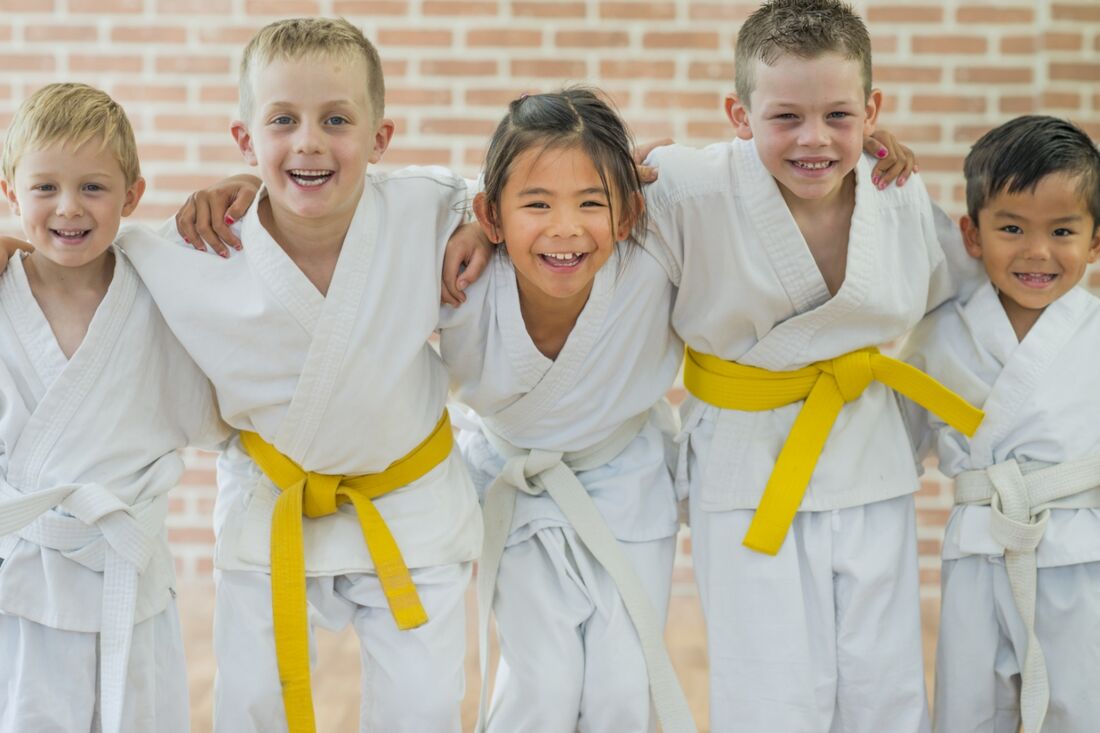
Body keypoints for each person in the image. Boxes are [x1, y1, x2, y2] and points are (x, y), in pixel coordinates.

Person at [105, 18, 482, 733]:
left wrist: (483, 223)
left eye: (336, 119)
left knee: (424, 708)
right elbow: (86, 249)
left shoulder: (429, 208)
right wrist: (17, 253)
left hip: (408, 498)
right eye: (283, 120)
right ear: (245, 140)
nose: (308, 140)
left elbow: (526, 186)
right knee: (252, 705)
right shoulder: (198, 247)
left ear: (380, 139)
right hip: (271, 496)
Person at [639, 0, 985, 729]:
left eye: (838, 114)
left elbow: (960, 292)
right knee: (768, 687)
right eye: (785, 117)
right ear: (739, 114)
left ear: (873, 108)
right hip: (744, 466)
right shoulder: (688, 189)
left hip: (866, 459)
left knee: (883, 683)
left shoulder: (895, 190)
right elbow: (587, 229)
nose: (814, 139)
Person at [437, 87, 692, 733]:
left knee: (621, 689)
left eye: (590, 202)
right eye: (537, 204)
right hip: (513, 482)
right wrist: (250, 186)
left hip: (627, 481)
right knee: (538, 689)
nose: (565, 228)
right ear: (490, 215)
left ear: (629, 212)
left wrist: (870, 155)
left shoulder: (652, 251)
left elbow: (750, 176)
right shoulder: (458, 271)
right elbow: (354, 208)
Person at [0, 83, 226, 733]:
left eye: (93, 188)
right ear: (11, 191)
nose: (68, 208)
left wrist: (238, 183)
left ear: (132, 195)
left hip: (128, 576)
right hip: (23, 588)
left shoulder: (160, 289)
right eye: (44, 188)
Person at [902, 116, 1100, 733]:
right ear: (972, 234)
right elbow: (894, 446)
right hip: (977, 551)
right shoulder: (941, 333)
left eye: (1062, 231)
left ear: (1095, 241)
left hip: (1081, 555)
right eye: (1011, 228)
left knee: (1081, 706)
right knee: (969, 710)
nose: (1037, 252)